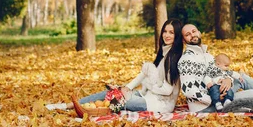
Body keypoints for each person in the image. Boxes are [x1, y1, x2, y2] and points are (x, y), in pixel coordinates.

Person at [47, 18, 184, 113]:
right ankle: (68, 106)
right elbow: (144, 74)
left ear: (177, 36)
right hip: (146, 96)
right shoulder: (163, 53)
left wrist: (149, 86)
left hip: (159, 104)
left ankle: (87, 111)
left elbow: (167, 90)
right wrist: (124, 88)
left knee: (114, 101)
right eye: (165, 31)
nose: (166, 35)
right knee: (112, 93)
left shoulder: (173, 58)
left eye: (171, 32)